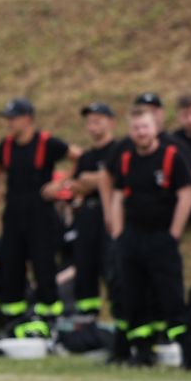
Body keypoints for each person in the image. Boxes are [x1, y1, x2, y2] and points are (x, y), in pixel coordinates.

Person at [105, 105, 191, 365]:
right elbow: (118, 196)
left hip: (161, 237)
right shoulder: (125, 159)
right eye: (135, 128)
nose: (140, 133)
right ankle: (142, 352)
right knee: (134, 296)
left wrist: (174, 233)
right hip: (133, 238)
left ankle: (188, 353)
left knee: (171, 297)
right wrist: (119, 234)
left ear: (155, 128)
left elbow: (186, 195)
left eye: (145, 127)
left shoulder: (171, 157)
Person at [0, 99, 76, 340]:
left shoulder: (47, 143)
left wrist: (59, 184)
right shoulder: (5, 146)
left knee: (44, 267)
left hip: (41, 215)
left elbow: (78, 157)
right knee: (11, 268)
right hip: (14, 216)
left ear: (27, 118)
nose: (9, 123)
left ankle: (50, 320)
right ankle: (12, 319)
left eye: (13, 118)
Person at [67, 102, 120, 343]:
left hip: (109, 215)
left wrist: (95, 180)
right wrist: (92, 181)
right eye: (90, 120)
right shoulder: (87, 157)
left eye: (99, 119)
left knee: (112, 267)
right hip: (86, 216)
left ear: (111, 122)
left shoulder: (118, 150)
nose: (93, 124)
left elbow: (114, 179)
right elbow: (75, 185)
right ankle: (86, 322)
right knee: (85, 267)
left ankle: (121, 320)